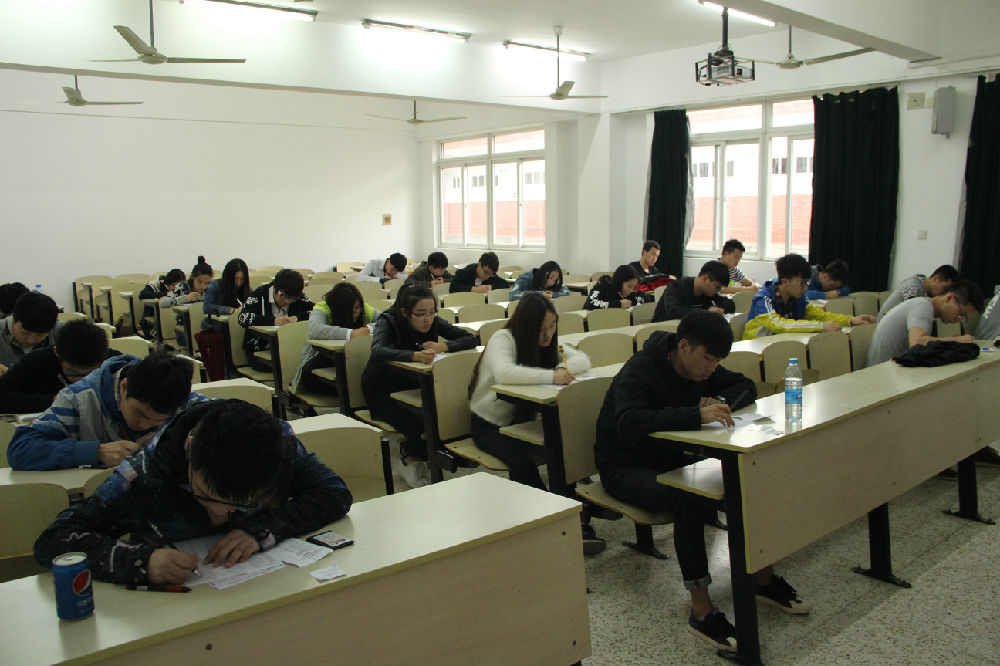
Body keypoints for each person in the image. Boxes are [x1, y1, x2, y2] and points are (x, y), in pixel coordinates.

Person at [595, 310, 809, 652]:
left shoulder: (701, 367)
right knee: (688, 498)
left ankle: (763, 577)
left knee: (744, 479)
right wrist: (695, 415)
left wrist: (720, 403)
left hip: (669, 458)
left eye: (717, 361)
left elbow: (745, 385)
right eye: (708, 359)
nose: (712, 368)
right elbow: (627, 422)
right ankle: (701, 609)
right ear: (684, 346)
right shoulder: (641, 369)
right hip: (623, 467)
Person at [33, 399, 353, 585]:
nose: (220, 513)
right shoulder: (144, 473)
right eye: (205, 496)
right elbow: (54, 539)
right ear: (190, 450)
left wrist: (263, 529)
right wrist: (141, 561)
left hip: (264, 588)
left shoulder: (279, 447)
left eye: (242, 505)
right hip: (179, 606)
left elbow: (334, 492)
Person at [469, 292, 590, 489]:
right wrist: (553, 376)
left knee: (566, 446)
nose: (548, 335)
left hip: (524, 420)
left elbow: (582, 359)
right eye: (541, 329)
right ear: (526, 326)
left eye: (552, 326)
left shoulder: (548, 342)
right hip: (490, 424)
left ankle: (567, 500)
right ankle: (541, 504)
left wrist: (562, 368)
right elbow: (504, 373)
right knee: (522, 463)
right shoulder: (503, 339)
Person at [7, 351, 205, 471]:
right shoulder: (78, 399)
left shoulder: (176, 396)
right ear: (124, 387)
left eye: (157, 421)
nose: (144, 425)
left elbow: (222, 418)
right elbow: (20, 449)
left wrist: (168, 439)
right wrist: (96, 452)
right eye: (139, 414)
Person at [362, 284, 476, 487]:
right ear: (405, 312)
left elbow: (470, 338)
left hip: (415, 385)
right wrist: (413, 355)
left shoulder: (433, 320)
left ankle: (424, 452)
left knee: (445, 419)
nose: (428, 319)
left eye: (432, 313)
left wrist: (443, 346)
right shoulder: (387, 320)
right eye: (421, 314)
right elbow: (378, 350)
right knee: (421, 426)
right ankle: (409, 456)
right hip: (382, 389)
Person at [744, 254, 874, 339]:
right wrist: (820, 326)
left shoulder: (798, 298)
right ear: (785, 281)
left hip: (782, 345)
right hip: (757, 350)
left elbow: (821, 316)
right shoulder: (764, 298)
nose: (805, 288)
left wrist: (851, 320)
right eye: (802, 283)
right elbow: (778, 324)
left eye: (807, 283)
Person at [0, 319, 114, 414]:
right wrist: (52, 400)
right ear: (56, 353)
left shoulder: (114, 362)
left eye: (91, 374)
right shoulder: (36, 361)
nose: (80, 381)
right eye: (73, 373)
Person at [292, 282, 379, 394]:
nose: (356, 313)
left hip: (353, 355)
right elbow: (314, 329)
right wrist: (350, 334)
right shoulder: (323, 308)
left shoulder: (363, 309)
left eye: (358, 308)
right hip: (323, 355)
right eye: (352, 310)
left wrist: (368, 328)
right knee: (310, 373)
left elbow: (386, 320)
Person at [867, 280, 982, 365]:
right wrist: (955, 340)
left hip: (893, 368)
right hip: (881, 373)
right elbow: (917, 343)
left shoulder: (925, 307)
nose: (957, 320)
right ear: (949, 298)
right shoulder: (922, 306)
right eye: (961, 314)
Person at [238, 269, 314, 371]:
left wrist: (297, 318)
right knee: (290, 367)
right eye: (284, 296)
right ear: (274, 288)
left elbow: (317, 311)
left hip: (289, 350)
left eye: (291, 299)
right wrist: (273, 321)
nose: (287, 301)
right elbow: (243, 318)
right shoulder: (259, 294)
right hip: (260, 351)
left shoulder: (297, 296)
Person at [0, 290, 60, 375]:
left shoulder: (60, 331)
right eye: (26, 333)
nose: (31, 340)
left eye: (39, 335)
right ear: (13, 319)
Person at [652, 260, 734, 322]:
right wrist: (706, 312)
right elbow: (673, 312)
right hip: (662, 331)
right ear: (705, 279)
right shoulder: (676, 286)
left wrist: (717, 309)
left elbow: (730, 305)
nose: (718, 291)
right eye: (717, 287)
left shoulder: (708, 292)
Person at [160, 257, 213, 348]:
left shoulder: (211, 288)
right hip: (184, 330)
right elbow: (163, 303)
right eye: (199, 282)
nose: (202, 286)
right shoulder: (182, 287)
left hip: (204, 328)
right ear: (192, 277)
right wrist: (184, 298)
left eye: (206, 283)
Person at [877, 265, 960, 321]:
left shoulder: (927, 293)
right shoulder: (914, 285)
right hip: (886, 326)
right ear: (935, 279)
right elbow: (913, 312)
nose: (944, 294)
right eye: (944, 288)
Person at [138, 269, 184, 339]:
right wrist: (166, 294)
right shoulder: (156, 284)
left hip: (171, 320)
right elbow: (142, 294)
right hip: (152, 321)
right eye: (173, 285)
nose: (176, 289)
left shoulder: (182, 288)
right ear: (168, 282)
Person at [202, 258, 251, 324]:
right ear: (228, 277)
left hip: (237, 325)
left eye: (242, 279)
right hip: (215, 326)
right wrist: (231, 310)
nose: (239, 283)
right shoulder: (214, 286)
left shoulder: (246, 288)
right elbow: (207, 307)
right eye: (235, 279)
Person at [585, 264, 653, 310]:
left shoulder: (630, 292)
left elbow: (644, 298)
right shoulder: (604, 282)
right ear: (619, 282)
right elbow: (590, 303)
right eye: (629, 286)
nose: (631, 290)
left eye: (634, 287)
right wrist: (618, 304)